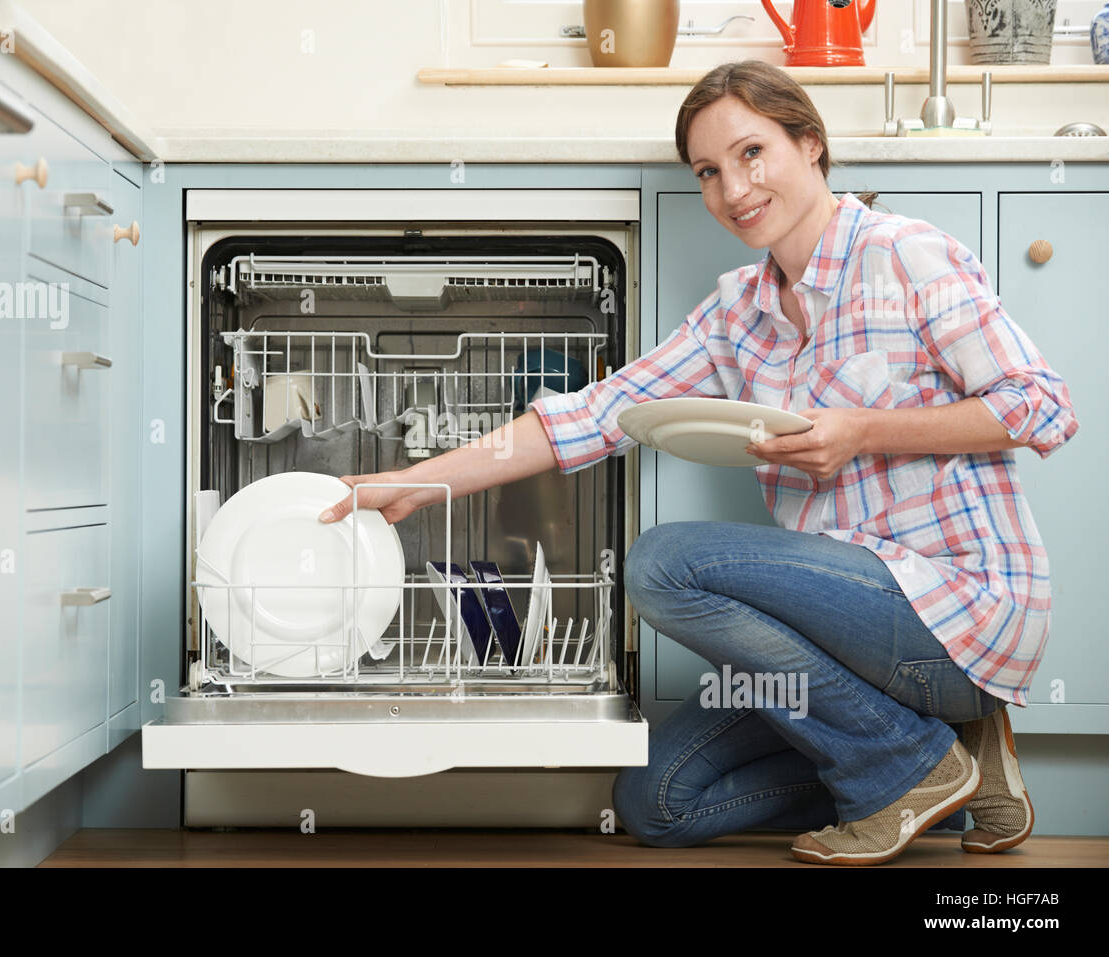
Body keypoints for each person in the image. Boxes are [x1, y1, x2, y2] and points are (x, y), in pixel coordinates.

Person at [318, 60, 1077, 866]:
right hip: (845, 641)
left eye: (753, 153)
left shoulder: (904, 256)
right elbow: (595, 413)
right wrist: (414, 481)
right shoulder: (738, 311)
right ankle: (941, 762)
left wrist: (863, 430)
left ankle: (904, 762)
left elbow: (1042, 406)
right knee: (657, 803)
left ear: (810, 144)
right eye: (709, 172)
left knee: (664, 564)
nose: (733, 189)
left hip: (955, 613)